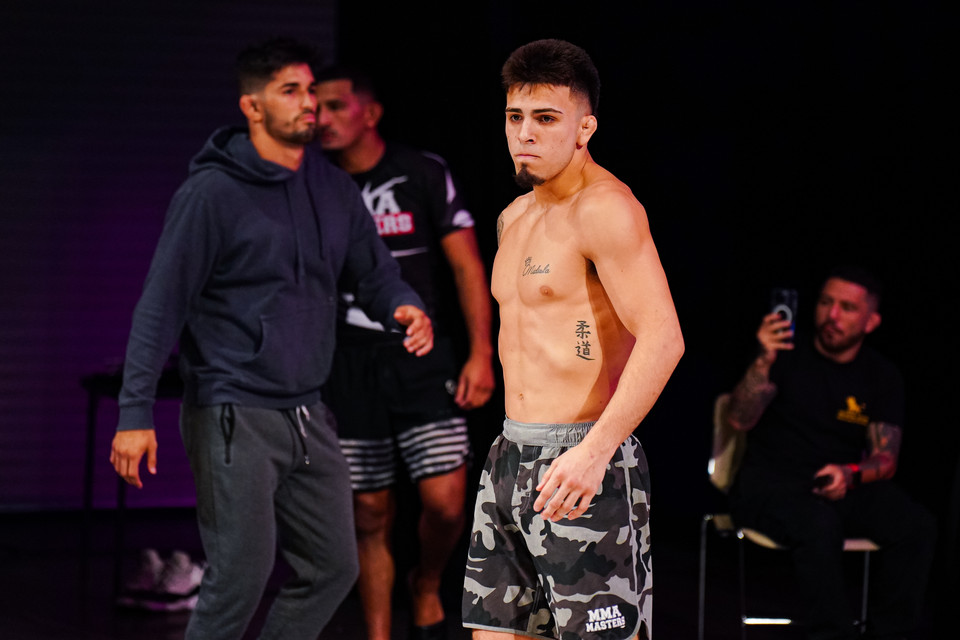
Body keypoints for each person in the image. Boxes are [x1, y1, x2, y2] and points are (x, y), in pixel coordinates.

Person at [109, 37, 434, 640]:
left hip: (308, 411)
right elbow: (161, 304)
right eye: (291, 91)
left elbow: (374, 273)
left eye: (311, 90)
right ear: (253, 107)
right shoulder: (211, 195)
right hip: (233, 408)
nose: (309, 103)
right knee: (239, 576)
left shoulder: (332, 189)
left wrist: (403, 306)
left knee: (333, 567)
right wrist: (135, 412)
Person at [461, 39, 684, 640]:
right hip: (510, 454)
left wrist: (595, 452)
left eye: (545, 118)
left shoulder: (606, 210)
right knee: (495, 634)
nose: (525, 134)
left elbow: (663, 338)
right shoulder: (513, 217)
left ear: (585, 128)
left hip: (584, 458)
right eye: (515, 117)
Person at [314, 65, 495, 640]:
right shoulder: (313, 182)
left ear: (370, 112)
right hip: (348, 362)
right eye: (316, 107)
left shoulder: (421, 171)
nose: (322, 118)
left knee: (446, 502)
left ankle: (426, 582)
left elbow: (467, 267)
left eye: (336, 105)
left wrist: (481, 353)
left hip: (422, 355)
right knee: (369, 510)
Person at [726, 266, 936, 640]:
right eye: (826, 302)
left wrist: (850, 474)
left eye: (847, 308)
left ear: (871, 321)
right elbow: (739, 419)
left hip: (839, 483)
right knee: (819, 524)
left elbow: (886, 459)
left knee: (916, 525)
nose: (832, 315)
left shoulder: (881, 375)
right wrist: (763, 359)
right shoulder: (784, 355)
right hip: (771, 484)